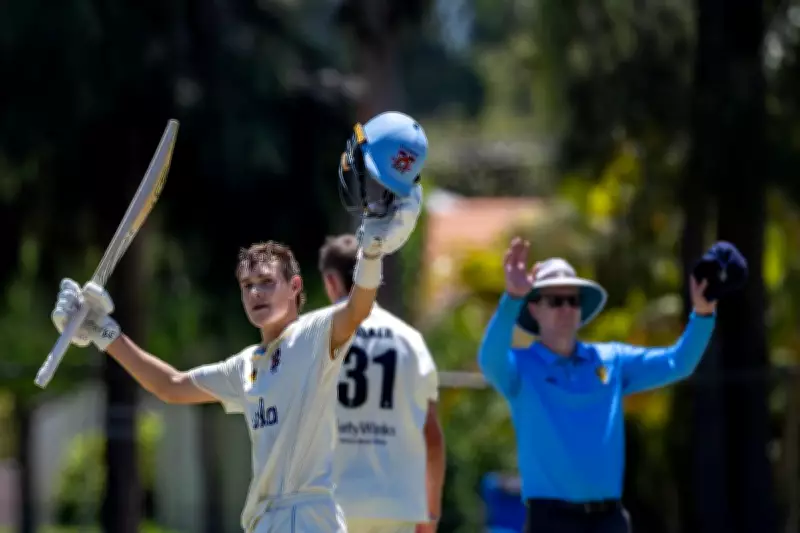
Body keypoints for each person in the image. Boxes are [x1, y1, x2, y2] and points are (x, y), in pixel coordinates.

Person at [49, 111, 428, 533]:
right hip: (264, 522)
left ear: (295, 287)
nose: (255, 294)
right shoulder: (246, 367)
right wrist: (103, 332)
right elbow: (170, 386)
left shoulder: (316, 335)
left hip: (310, 520)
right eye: (247, 286)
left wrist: (371, 254)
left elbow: (357, 308)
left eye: (267, 283)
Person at [478, 237, 721, 533]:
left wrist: (703, 314)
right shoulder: (521, 368)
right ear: (534, 310)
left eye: (573, 301)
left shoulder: (612, 359)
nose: (566, 309)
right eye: (555, 301)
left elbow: (679, 363)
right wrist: (512, 298)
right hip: (552, 521)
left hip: (609, 520)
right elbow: (489, 359)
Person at [317, 234, 446, 533]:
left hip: (328, 504)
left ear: (332, 282)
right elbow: (432, 435)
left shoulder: (309, 335)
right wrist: (431, 512)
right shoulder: (410, 340)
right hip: (395, 504)